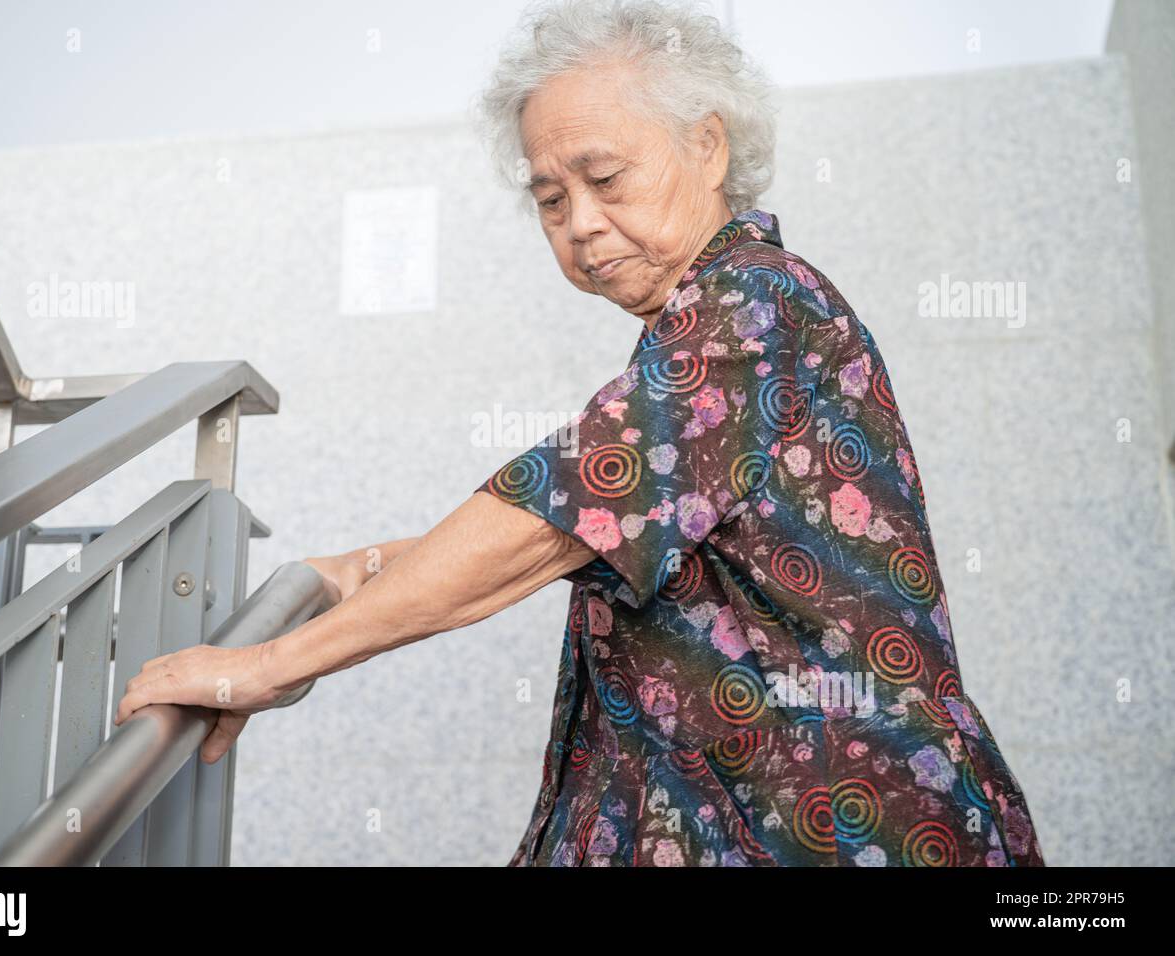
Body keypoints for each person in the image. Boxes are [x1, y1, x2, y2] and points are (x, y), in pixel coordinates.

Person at [116, 0, 1044, 867]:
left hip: (832, 822)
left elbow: (554, 516)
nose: (583, 227)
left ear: (707, 145)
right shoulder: (701, 338)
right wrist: (346, 571)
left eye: (604, 179)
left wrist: (268, 666)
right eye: (551, 201)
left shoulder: (753, 304)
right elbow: (588, 522)